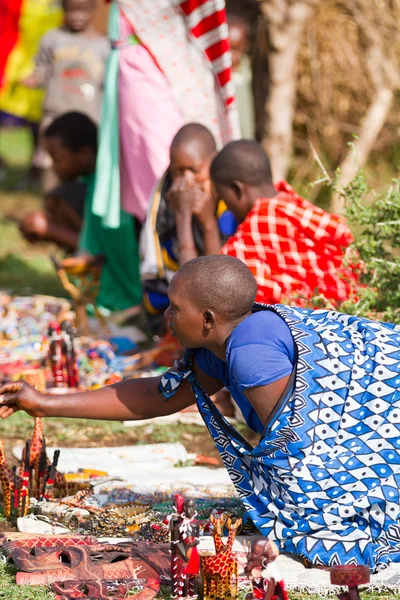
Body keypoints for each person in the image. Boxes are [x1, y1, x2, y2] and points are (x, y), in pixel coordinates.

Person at [1, 254, 400, 573]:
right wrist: (45, 402)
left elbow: (304, 452)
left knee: (332, 540)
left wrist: (309, 525)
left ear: (207, 319)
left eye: (175, 309)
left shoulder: (250, 355)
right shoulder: (222, 345)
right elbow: (155, 396)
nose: (166, 318)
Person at [210, 140, 358, 306]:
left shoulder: (246, 243)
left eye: (224, 198)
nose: (227, 207)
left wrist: (206, 222)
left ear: (237, 190)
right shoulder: (301, 211)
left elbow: (217, 294)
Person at [20, 112, 141, 313]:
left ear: (83, 153)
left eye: (57, 158)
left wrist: (49, 230)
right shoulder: (92, 184)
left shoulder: (106, 194)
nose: (52, 166)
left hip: (122, 298)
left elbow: (102, 254)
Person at [140, 123, 237, 328]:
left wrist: (208, 222)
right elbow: (187, 286)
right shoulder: (164, 202)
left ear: (214, 162)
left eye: (194, 170)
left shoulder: (229, 201)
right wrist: (183, 216)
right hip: (174, 307)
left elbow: (218, 283)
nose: (187, 182)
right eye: (178, 172)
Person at [21, 0, 109, 191]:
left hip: (88, 119)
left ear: (93, 10)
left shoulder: (103, 45)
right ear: (63, 9)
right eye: (72, 11)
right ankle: (51, 204)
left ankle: (81, 212)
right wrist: (36, 78)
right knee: (50, 162)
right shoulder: (52, 39)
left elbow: (107, 83)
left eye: (83, 11)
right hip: (56, 116)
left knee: (87, 166)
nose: (77, 16)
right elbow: (42, 67)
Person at [227, 14, 255, 139]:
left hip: (246, 136)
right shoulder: (217, 75)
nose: (232, 56)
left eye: (236, 49)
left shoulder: (245, 67)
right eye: (229, 49)